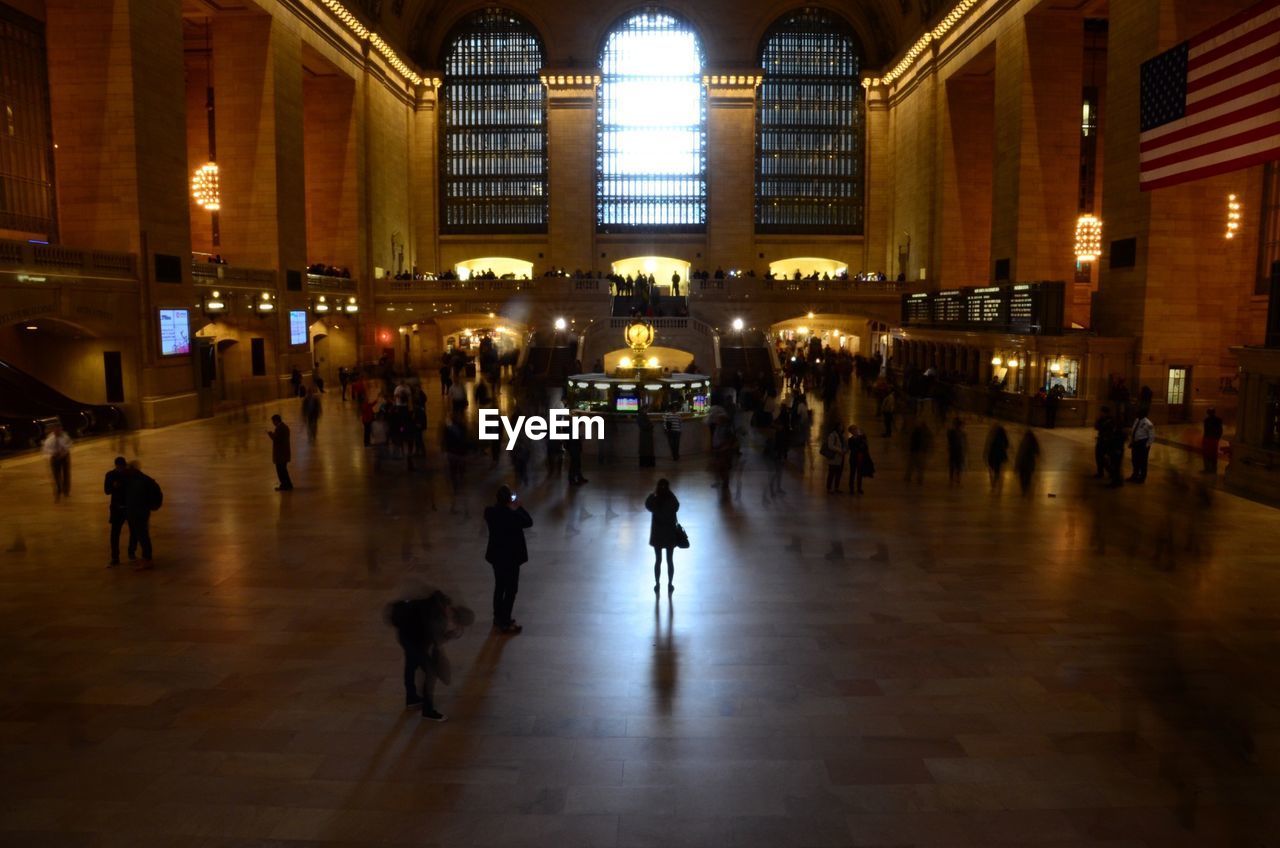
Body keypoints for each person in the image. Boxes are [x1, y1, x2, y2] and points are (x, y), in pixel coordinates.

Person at [386, 588, 474, 721]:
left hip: (407, 634)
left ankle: (412, 699)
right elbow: (434, 641)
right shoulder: (439, 617)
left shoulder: (442, 602)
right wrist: (447, 637)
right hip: (412, 638)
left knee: (411, 664)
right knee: (430, 672)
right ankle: (428, 710)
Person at [484, 486, 533, 634]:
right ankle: (505, 621)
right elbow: (529, 522)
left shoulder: (490, 512)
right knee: (511, 589)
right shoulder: (513, 515)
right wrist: (518, 507)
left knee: (499, 587)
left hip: (496, 557)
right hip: (511, 558)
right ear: (508, 499)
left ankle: (498, 618)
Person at [122, 460, 162, 569]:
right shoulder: (135, 480)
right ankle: (146, 558)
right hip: (136, 512)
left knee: (143, 536)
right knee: (140, 535)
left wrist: (150, 507)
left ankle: (147, 559)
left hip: (139, 513)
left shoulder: (141, 481)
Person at [645, 479, 681, 594]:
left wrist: (653, 493)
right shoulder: (671, 501)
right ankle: (670, 584)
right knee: (670, 560)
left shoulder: (655, 501)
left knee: (658, 560)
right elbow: (677, 505)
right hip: (669, 534)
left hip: (658, 535)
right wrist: (670, 492)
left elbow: (647, 503)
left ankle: (657, 583)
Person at [104, 456, 131, 566]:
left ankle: (131, 553)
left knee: (134, 532)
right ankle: (115, 557)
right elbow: (107, 491)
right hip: (117, 508)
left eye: (122, 467)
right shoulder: (110, 475)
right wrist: (113, 486)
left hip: (128, 507)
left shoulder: (129, 474)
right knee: (115, 534)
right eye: (119, 467)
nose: (121, 469)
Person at [42, 422, 73, 501]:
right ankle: (58, 491)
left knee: (66, 474)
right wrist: (53, 453)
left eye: (59, 429)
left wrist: (64, 449)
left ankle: (66, 490)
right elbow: (45, 449)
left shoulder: (65, 436)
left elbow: (70, 444)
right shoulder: (49, 439)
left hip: (64, 456)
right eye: (56, 429)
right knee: (56, 475)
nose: (58, 431)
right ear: (53, 430)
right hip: (55, 458)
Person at [268, 414, 293, 491]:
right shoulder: (284, 427)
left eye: (273, 421)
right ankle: (288, 484)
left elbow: (276, 439)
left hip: (280, 454)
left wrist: (270, 434)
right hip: (284, 453)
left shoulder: (279, 428)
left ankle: (284, 485)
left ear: (276, 420)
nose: (273, 423)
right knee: (283, 470)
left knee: (281, 471)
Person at [846, 425, 873, 495]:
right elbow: (853, 448)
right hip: (853, 458)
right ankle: (851, 488)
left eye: (856, 429)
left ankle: (859, 488)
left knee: (859, 474)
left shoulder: (862, 438)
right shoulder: (850, 440)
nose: (856, 430)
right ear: (851, 431)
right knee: (852, 473)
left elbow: (865, 446)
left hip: (860, 458)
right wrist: (860, 445)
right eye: (854, 429)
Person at [1129, 412, 1154, 483]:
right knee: (1134, 460)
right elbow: (1134, 431)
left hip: (1143, 443)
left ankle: (1142, 478)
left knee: (1143, 461)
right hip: (1136, 443)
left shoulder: (1148, 423)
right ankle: (1135, 475)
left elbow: (1152, 436)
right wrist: (1132, 441)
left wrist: (1146, 446)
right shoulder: (1137, 420)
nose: (1136, 413)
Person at [822, 420, 846, 493]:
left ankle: (836, 488)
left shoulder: (842, 435)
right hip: (834, 457)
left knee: (839, 473)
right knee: (831, 473)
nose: (842, 427)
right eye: (840, 426)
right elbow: (830, 445)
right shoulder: (832, 435)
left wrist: (844, 449)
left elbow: (844, 444)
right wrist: (839, 450)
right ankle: (829, 488)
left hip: (840, 457)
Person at [1014, 430, 1040, 497]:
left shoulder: (1023, 442)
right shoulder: (1034, 443)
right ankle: (1026, 490)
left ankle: (1024, 491)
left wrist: (1016, 465)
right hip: (1030, 463)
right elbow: (1037, 452)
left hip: (1023, 463)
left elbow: (1020, 454)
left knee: (1022, 478)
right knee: (1028, 478)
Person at [985, 424, 1009, 491]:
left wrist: (986, 453)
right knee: (997, 471)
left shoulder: (993, 435)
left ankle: (993, 483)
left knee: (991, 469)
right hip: (1000, 456)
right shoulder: (1003, 436)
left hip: (992, 455)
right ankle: (995, 484)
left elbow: (988, 444)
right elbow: (1007, 445)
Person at [1201, 408, 1224, 474]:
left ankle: (1207, 469)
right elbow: (1220, 430)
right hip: (1214, 439)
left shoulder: (1206, 420)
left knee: (1206, 454)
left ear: (1208, 413)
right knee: (1213, 454)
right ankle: (1214, 468)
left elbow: (1206, 431)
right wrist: (1218, 437)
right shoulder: (1219, 420)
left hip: (1208, 438)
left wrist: (1204, 439)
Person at [946, 417, 966, 485]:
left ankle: (956, 480)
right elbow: (949, 440)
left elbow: (963, 443)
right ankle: (953, 480)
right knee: (953, 466)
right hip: (954, 451)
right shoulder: (952, 432)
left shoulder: (961, 433)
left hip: (958, 451)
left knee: (957, 466)